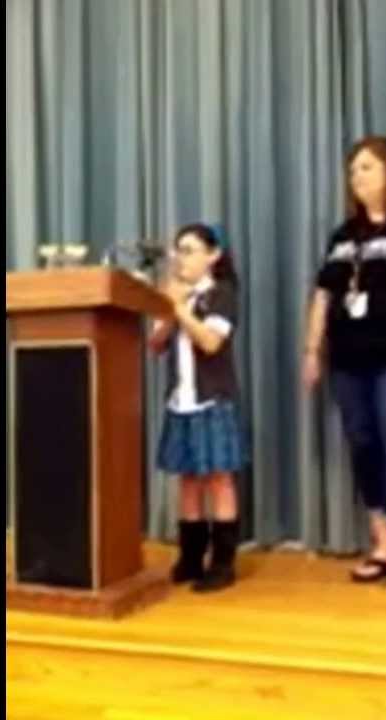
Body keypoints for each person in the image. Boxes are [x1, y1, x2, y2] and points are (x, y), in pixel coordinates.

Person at [303, 136, 386, 596]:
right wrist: (313, 351)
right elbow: (324, 294)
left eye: (366, 167)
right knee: (364, 444)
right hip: (348, 360)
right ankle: (381, 544)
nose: (357, 177)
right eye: (352, 170)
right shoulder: (344, 234)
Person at [149, 223, 247, 593]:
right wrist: (167, 310)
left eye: (189, 250)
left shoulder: (221, 294)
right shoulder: (174, 294)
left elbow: (210, 342)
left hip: (213, 398)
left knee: (219, 478)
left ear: (213, 255)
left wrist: (180, 308)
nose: (180, 258)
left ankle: (222, 563)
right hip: (181, 400)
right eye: (178, 250)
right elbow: (156, 344)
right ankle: (190, 557)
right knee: (188, 478)